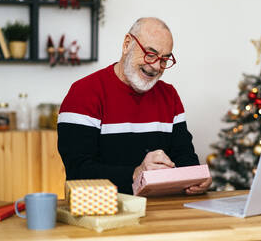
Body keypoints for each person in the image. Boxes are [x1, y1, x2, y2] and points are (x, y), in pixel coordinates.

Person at [57, 17, 212, 194]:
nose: (155, 66)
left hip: (162, 210)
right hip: (103, 211)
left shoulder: (169, 95)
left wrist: (196, 178)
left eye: (164, 60)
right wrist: (136, 174)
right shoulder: (83, 92)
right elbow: (78, 171)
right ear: (127, 44)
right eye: (150, 54)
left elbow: (184, 158)